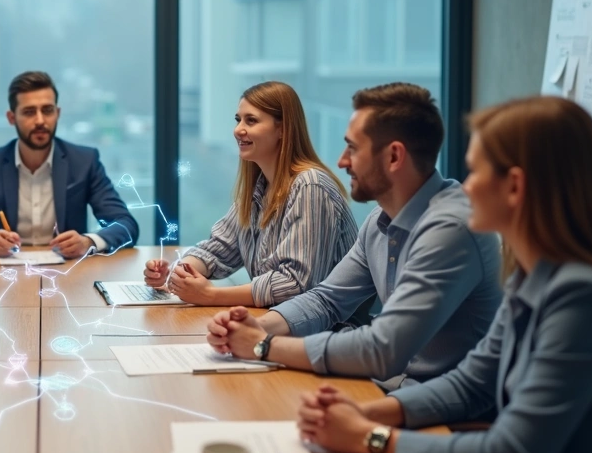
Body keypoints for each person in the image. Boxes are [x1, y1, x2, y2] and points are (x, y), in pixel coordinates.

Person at [297, 96, 592, 453]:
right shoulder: (535, 278)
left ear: (514, 186)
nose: (466, 186)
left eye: (477, 172)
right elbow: (472, 384)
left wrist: (369, 439)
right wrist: (367, 412)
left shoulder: (586, 300)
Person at [207, 83, 502, 390]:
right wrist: (256, 326)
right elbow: (327, 300)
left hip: (439, 410)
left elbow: (383, 350)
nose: (341, 161)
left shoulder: (449, 230)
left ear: (393, 157)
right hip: (392, 387)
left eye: (353, 148)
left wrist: (263, 346)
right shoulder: (379, 221)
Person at [142, 82, 356, 306]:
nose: (238, 129)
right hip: (274, 322)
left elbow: (294, 284)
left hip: (324, 334)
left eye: (251, 120)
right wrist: (179, 273)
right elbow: (220, 248)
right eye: (238, 120)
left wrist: (211, 295)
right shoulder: (259, 188)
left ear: (283, 129)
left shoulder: (311, 187)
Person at [0, 70, 139, 257]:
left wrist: (88, 242)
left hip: (69, 276)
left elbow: (125, 224)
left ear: (58, 113)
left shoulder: (84, 161)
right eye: (29, 112)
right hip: (7, 277)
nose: (40, 120)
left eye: (47, 110)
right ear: (12, 118)